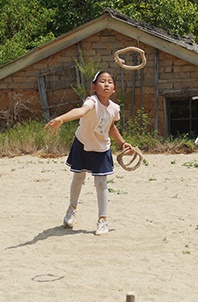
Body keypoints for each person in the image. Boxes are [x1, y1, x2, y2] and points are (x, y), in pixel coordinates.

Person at [44, 70, 132, 235]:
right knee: (78, 177)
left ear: (114, 89)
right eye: (102, 81)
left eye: (110, 82)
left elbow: (111, 127)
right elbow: (81, 111)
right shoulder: (92, 102)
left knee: (101, 183)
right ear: (94, 87)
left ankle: (103, 220)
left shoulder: (114, 108)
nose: (106, 84)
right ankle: (72, 209)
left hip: (101, 148)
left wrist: (122, 143)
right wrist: (62, 119)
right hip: (83, 143)